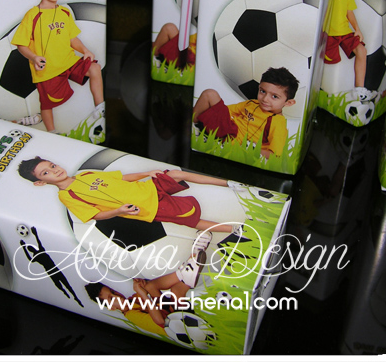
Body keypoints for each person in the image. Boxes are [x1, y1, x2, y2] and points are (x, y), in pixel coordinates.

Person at [17, 158, 247, 243]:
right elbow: (96, 215)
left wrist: (148, 173)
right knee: (191, 219)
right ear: (40, 183)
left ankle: (227, 183)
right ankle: (235, 229)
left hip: (146, 187)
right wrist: (119, 211)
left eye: (52, 165)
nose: (55, 170)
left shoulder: (85, 174)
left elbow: (122, 178)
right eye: (46, 173)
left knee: (177, 174)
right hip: (147, 206)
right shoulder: (67, 196)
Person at [11, 0, 104, 135]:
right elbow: (21, 45)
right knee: (47, 104)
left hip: (68, 61)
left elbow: (72, 39)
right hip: (48, 69)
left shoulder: (64, 12)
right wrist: (34, 57)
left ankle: (100, 109)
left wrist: (85, 50)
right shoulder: (32, 15)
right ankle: (52, 132)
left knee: (95, 68)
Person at [84, 249, 208, 336]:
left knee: (153, 286)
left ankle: (190, 265)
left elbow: (147, 288)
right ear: (111, 308)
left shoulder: (132, 300)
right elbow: (161, 322)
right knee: (175, 293)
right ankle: (186, 271)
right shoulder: (131, 315)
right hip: (178, 324)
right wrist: (144, 294)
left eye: (113, 291)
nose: (117, 296)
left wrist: (140, 284)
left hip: (174, 312)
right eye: (111, 298)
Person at [192, 67, 298, 160]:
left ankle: (196, 126)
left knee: (210, 94)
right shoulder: (253, 103)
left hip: (234, 140)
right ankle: (195, 125)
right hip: (228, 128)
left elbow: (275, 155)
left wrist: (250, 149)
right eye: (262, 91)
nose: (265, 99)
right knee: (209, 96)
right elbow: (227, 110)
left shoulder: (277, 122)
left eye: (274, 96)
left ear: (288, 103)